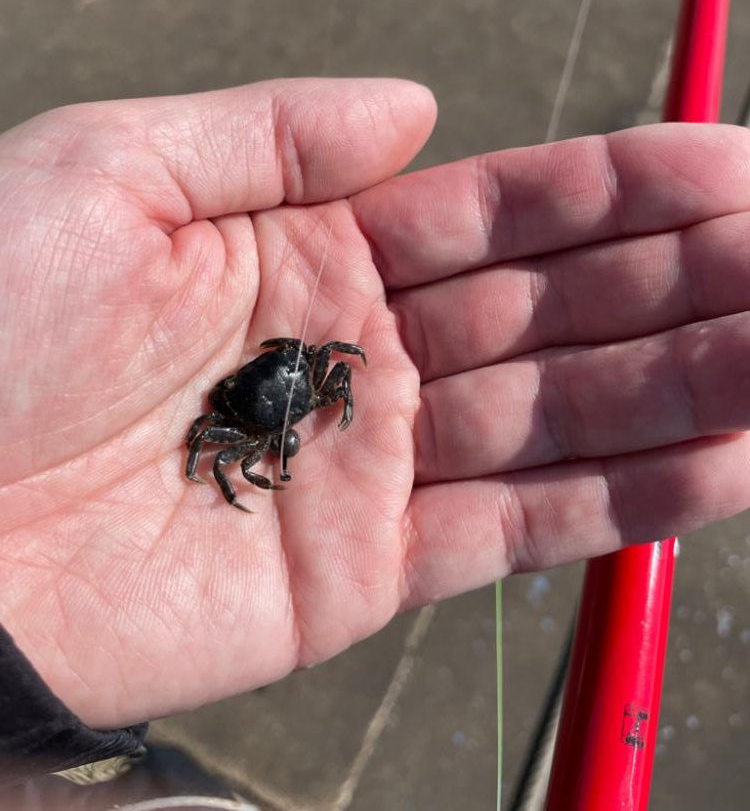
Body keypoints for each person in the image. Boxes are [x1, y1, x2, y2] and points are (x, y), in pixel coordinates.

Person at [1, 77, 749, 783]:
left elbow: (325, 358)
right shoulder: (230, 430)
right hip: (258, 411)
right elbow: (218, 452)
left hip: (267, 400)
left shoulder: (298, 366)